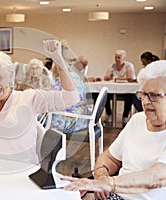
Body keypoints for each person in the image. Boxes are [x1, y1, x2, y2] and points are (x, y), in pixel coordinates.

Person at [62, 60, 166, 200]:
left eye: (154, 95)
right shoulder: (137, 120)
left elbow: (157, 177)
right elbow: (110, 157)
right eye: (143, 94)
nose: (145, 102)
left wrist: (109, 184)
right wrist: (101, 177)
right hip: (117, 195)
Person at [103, 50, 136, 125]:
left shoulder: (129, 65)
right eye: (116, 57)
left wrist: (116, 78)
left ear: (124, 58)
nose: (117, 59)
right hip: (113, 90)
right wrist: (108, 77)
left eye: (119, 57)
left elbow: (130, 77)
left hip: (126, 90)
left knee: (129, 96)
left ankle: (125, 116)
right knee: (105, 95)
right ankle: (109, 114)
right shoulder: (112, 66)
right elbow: (106, 77)